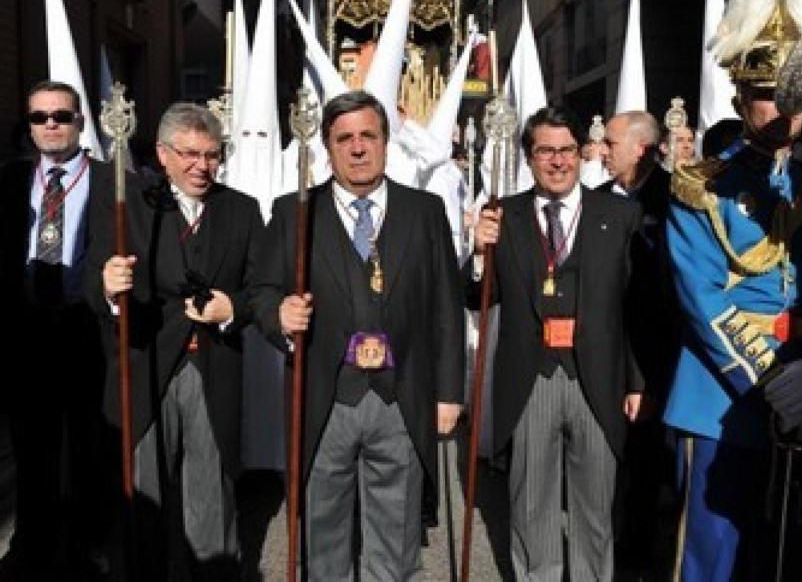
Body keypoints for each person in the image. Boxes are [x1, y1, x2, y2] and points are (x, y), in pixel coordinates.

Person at [665, 0, 802, 578]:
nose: (785, 111)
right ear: (743, 97)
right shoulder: (701, 186)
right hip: (723, 400)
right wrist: (775, 383)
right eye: (770, 95)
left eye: (795, 97)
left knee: (786, 563)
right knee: (712, 562)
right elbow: (704, 300)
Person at [251, 90, 464, 580]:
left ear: (386, 142)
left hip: (403, 397)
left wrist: (449, 393)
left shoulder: (424, 211)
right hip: (324, 398)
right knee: (321, 538)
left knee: (398, 540)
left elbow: (446, 308)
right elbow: (260, 292)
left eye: (368, 135)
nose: (358, 148)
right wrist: (277, 313)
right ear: (328, 147)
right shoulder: (293, 213)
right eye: (344, 138)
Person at [87, 102, 264, 579]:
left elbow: (263, 289)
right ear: (163, 154)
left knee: (211, 509)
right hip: (146, 366)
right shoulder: (129, 203)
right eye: (188, 153)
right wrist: (107, 285)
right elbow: (93, 276)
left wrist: (235, 309)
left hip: (212, 367)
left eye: (210, 154)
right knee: (144, 502)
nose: (200, 166)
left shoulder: (241, 210)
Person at [471, 106, 644, 580]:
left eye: (567, 150)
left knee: (595, 509)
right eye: (546, 151)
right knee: (532, 508)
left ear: (581, 154)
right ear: (529, 157)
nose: (558, 161)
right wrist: (478, 256)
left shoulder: (621, 215)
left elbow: (637, 309)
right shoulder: (502, 215)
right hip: (532, 379)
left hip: (599, 379)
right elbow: (476, 298)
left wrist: (636, 381)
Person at [0, 80, 112, 580]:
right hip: (26, 331)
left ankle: (89, 545)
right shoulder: (10, 181)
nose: (50, 125)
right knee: (31, 447)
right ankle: (32, 543)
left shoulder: (112, 181)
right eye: (39, 117)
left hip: (85, 329)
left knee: (89, 445)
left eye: (61, 116)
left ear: (80, 123)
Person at [599, 110, 681, 576]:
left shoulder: (676, 202)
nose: (602, 150)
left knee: (650, 476)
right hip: (605, 358)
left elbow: (664, 302)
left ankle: (641, 563)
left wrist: (645, 376)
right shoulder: (598, 200)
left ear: (641, 149)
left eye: (610, 143)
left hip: (655, 363)